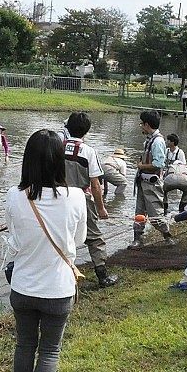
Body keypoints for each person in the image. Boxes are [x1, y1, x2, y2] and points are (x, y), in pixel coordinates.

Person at [4, 129, 86, 372]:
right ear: (59, 161)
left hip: (22, 286)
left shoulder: (14, 195)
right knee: (50, 350)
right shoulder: (76, 196)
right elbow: (76, 242)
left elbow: (14, 238)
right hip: (57, 289)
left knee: (25, 343)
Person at [60, 113, 118, 288]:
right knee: (94, 238)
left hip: (60, 198)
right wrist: (101, 208)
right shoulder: (88, 151)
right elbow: (95, 184)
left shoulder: (57, 147)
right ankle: (102, 276)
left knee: (62, 235)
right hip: (82, 200)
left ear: (67, 127)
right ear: (87, 130)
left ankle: (61, 273)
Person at [128, 110, 175, 249]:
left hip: (152, 183)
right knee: (139, 212)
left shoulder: (158, 141)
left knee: (155, 213)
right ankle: (137, 239)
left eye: (142, 124)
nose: (141, 126)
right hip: (143, 181)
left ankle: (167, 237)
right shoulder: (149, 139)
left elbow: (159, 163)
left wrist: (142, 165)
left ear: (147, 124)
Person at [164, 133, 187, 211]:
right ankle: (181, 208)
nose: (166, 142)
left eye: (168, 140)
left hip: (171, 174)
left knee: (162, 189)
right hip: (177, 175)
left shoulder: (180, 152)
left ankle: (165, 207)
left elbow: (183, 165)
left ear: (173, 142)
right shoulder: (166, 151)